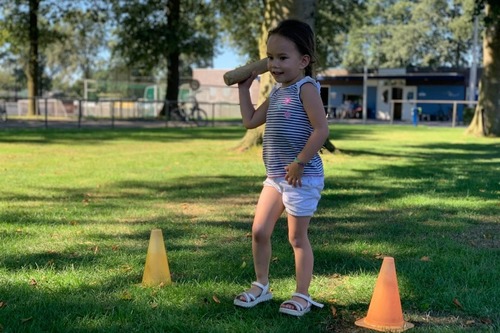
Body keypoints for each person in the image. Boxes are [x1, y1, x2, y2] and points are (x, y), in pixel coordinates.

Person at [233, 19, 330, 317]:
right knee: (259, 231)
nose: (274, 65)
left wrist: (300, 162)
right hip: (275, 177)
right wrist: (244, 89)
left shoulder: (306, 88)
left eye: (282, 58)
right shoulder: (275, 92)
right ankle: (261, 286)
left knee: (297, 238)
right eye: (270, 57)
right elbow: (250, 121)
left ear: (304, 60)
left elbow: (321, 130)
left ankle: (302, 295)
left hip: (302, 176)